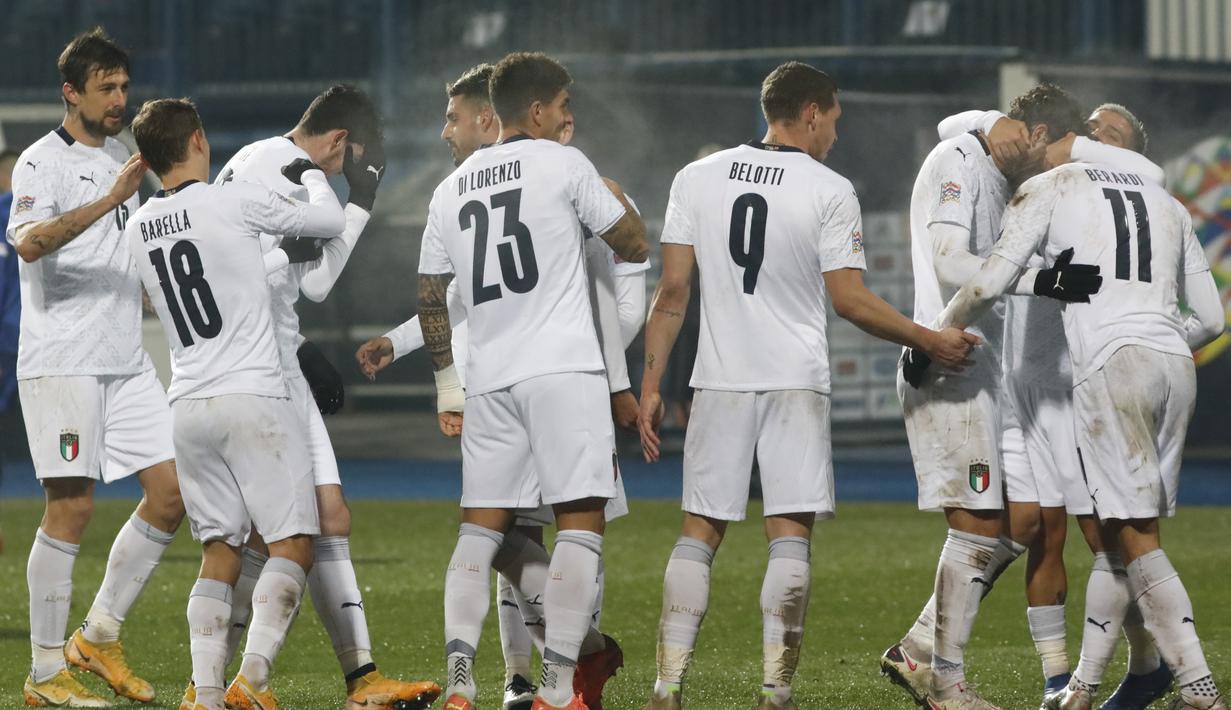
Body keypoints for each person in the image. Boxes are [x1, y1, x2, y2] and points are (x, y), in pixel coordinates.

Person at [633, 61, 977, 710]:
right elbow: (848, 301)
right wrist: (928, 339)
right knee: (787, 535)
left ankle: (666, 688)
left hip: (719, 381)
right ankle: (775, 694)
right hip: (793, 381)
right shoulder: (826, 188)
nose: (836, 135)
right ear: (811, 112)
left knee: (697, 533)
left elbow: (672, 292)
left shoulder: (696, 178)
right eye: (835, 120)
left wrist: (650, 382)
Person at [355, 63, 638, 710]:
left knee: (482, 535)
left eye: (452, 116)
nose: (445, 129)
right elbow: (632, 248)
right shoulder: (567, 170)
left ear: (493, 115)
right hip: (563, 374)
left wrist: (447, 385)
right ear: (536, 111)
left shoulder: (449, 190)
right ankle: (555, 684)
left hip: (492, 383)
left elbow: (435, 299)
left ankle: (466, 684)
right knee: (576, 530)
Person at [934, 140, 1225, 710]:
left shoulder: (1055, 185)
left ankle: (1197, 686)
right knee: (1120, 537)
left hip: (1113, 365)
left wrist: (934, 336)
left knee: (1133, 539)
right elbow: (1212, 318)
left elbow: (986, 284)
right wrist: (1155, 340)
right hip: (1174, 363)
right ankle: (1084, 688)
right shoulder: (1166, 201)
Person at [203, 83, 440, 710]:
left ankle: (354, 679)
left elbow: (310, 283)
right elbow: (272, 275)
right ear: (338, 140)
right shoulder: (281, 169)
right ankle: (229, 683)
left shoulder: (266, 165)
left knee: (318, 521)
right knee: (269, 534)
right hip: (258, 370)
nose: (348, 173)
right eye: (352, 162)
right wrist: (351, 204)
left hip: (276, 359)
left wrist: (358, 200)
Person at [125, 97, 348, 710]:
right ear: (198, 138)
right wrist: (309, 172)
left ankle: (205, 692)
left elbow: (168, 292)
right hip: (252, 392)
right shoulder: (230, 200)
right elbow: (327, 224)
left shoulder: (138, 226)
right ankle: (250, 679)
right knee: (293, 542)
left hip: (189, 404)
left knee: (219, 548)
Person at [878, 84, 1095, 710]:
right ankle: (945, 682)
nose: (1057, 167)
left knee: (1023, 521)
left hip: (990, 366)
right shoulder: (959, 163)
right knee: (975, 523)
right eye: (1053, 150)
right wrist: (1039, 278)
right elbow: (950, 263)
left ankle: (919, 647)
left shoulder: (1002, 166)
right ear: (1033, 134)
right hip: (950, 361)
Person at [8, 28, 185, 707]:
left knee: (174, 495)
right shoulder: (38, 164)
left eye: (122, 87)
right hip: (63, 361)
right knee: (72, 507)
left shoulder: (121, 157)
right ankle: (46, 671)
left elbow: (126, 254)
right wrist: (110, 198)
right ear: (71, 92)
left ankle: (99, 634)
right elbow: (31, 244)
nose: (119, 99)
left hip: (124, 358)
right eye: (105, 88)